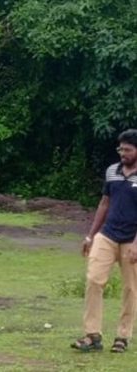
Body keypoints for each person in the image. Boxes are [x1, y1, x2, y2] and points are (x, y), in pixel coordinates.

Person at [71, 129, 137, 353]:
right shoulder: (112, 171)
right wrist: (90, 235)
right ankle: (92, 335)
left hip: (132, 239)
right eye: (121, 149)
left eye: (128, 150)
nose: (123, 153)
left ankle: (122, 336)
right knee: (93, 280)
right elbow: (104, 203)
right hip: (107, 235)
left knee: (131, 288)